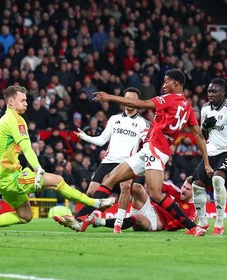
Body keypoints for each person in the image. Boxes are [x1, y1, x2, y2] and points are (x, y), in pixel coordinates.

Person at [0, 85, 115, 236]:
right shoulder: (16, 120)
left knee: (25, 216)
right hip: (11, 179)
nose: (26, 103)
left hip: (0, 181)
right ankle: (96, 203)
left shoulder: (1, 123)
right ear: (11, 103)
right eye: (22, 100)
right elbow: (27, 147)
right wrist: (37, 168)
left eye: (26, 100)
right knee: (57, 180)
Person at [87, 69, 213, 236]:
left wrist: (109, 97)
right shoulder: (188, 108)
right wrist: (206, 162)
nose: (164, 85)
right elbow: (198, 136)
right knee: (110, 179)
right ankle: (82, 218)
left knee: (154, 193)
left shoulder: (169, 99)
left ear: (175, 83)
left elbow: (142, 104)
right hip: (152, 148)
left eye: (167, 81)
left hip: (156, 148)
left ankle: (193, 227)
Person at [53, 87, 149, 233]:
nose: (129, 101)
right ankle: (84, 220)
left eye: (133, 98)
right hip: (107, 162)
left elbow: (146, 144)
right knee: (91, 192)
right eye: (127, 98)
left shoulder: (143, 123)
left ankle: (117, 225)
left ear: (138, 102)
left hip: (126, 163)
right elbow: (101, 140)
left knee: (125, 187)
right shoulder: (114, 119)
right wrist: (85, 137)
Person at [190, 78, 227, 235]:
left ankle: (219, 224)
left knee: (217, 180)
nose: (211, 94)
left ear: (223, 93)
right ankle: (202, 223)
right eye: (209, 91)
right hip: (211, 152)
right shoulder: (205, 109)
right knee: (196, 185)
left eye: (215, 91)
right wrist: (204, 127)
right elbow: (203, 136)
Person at [83, 177, 196, 232]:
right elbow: (156, 184)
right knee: (137, 187)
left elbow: (189, 222)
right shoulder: (174, 190)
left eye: (188, 189)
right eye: (183, 187)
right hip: (151, 208)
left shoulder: (192, 208)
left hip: (157, 222)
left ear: (194, 192)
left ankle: (97, 221)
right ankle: (111, 185)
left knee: (138, 218)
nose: (183, 190)